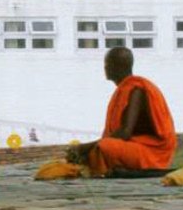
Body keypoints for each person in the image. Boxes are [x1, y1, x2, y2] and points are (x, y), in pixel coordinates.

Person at [67, 47, 176, 176]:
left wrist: (85, 147)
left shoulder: (137, 89)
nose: (105, 68)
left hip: (153, 152)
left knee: (104, 148)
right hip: (135, 145)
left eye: (108, 64)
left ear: (118, 66)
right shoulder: (123, 89)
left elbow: (125, 132)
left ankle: (120, 168)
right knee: (97, 150)